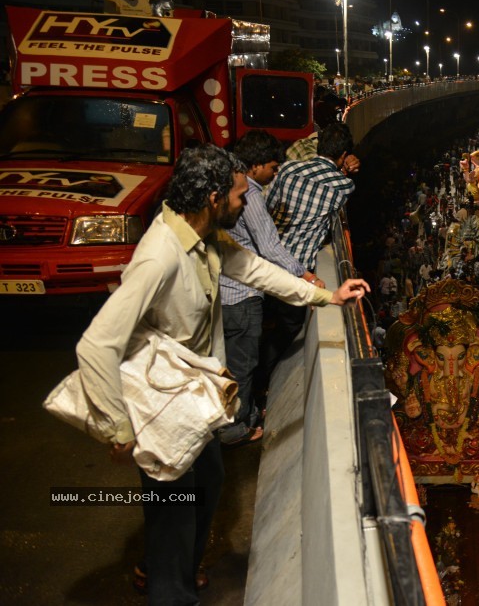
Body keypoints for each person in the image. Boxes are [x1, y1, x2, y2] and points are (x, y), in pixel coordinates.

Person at [74, 144, 370, 603]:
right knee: (172, 514)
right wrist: (119, 427)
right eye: (238, 195)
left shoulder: (205, 236)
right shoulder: (161, 256)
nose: (246, 202)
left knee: (208, 483)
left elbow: (253, 268)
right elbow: (95, 344)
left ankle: (166, 567)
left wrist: (325, 296)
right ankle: (168, 586)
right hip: (160, 404)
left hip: (196, 396)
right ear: (213, 197)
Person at [218, 130, 324, 447]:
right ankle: (236, 427)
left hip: (223, 292)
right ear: (256, 166)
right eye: (273, 168)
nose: (274, 175)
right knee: (243, 365)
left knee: (231, 361)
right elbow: (269, 248)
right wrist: (305, 275)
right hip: (241, 295)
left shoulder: (229, 187)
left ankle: (242, 414)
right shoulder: (247, 194)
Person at [261, 122, 360, 386]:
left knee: (262, 324)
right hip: (298, 270)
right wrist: (346, 170)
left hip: (268, 259)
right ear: (342, 156)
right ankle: (265, 381)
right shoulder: (343, 185)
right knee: (289, 328)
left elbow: (267, 206)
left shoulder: (289, 168)